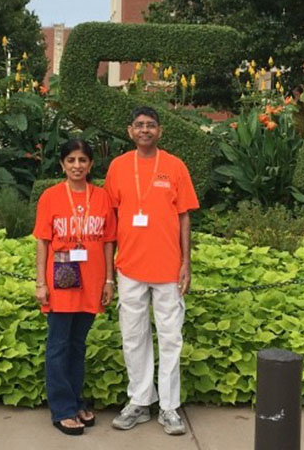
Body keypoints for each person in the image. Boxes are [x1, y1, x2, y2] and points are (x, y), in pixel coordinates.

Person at [104, 106, 199, 435]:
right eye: (139, 125)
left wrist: (186, 262)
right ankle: (139, 401)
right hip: (129, 266)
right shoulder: (117, 167)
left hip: (168, 268)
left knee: (171, 338)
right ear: (130, 131)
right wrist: (108, 271)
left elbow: (185, 215)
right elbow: (111, 220)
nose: (145, 130)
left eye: (151, 126)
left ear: (160, 131)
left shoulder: (174, 167)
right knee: (134, 337)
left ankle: (170, 408)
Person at [33, 139, 116, 436]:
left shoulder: (103, 197)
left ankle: (76, 400)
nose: (77, 166)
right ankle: (62, 409)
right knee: (58, 345)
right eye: (71, 160)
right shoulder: (51, 197)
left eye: (82, 160)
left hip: (91, 280)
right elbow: (42, 241)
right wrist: (40, 283)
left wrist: (109, 280)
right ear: (62, 165)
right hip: (62, 278)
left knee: (78, 345)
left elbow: (108, 242)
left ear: (90, 164)